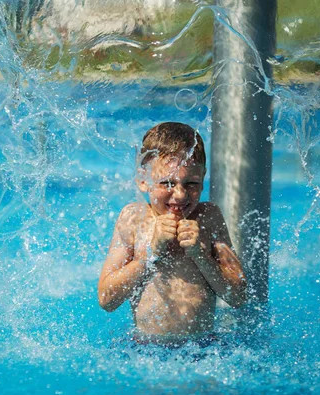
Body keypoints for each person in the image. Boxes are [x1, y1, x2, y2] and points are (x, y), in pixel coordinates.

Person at [98, 122, 247, 345]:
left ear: (203, 178)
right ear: (142, 180)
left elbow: (238, 296)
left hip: (203, 346)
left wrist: (201, 257)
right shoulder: (133, 219)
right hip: (146, 347)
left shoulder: (209, 217)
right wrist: (149, 254)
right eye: (167, 183)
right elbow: (106, 299)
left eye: (191, 184)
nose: (179, 195)